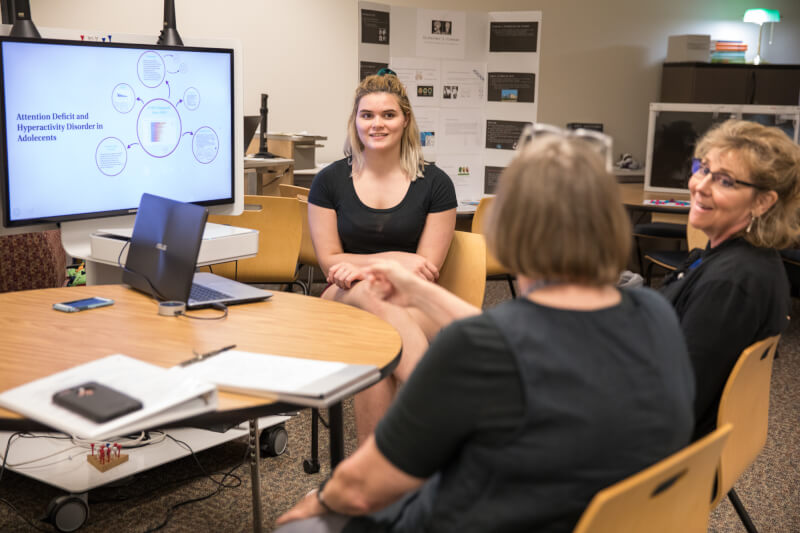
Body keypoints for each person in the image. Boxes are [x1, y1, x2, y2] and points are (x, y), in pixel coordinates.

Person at [276, 126, 695, 533]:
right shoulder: (653, 311)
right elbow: (523, 336)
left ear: (508, 232)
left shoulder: (480, 348)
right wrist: (417, 292)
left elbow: (363, 491)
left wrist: (320, 500)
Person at [307, 72, 457, 443]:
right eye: (367, 115)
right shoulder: (328, 182)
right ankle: (435, 402)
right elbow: (330, 263)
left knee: (378, 347)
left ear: (405, 120)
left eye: (388, 115)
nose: (377, 124)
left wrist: (362, 263)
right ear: (355, 121)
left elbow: (424, 270)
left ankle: (369, 477)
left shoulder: (436, 184)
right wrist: (395, 260)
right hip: (341, 295)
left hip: (407, 297)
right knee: (370, 292)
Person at [660, 119, 800, 440]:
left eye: (724, 181)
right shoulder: (740, 259)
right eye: (703, 168)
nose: (700, 186)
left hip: (661, 457)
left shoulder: (732, 285)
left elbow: (676, 405)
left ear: (763, 202)